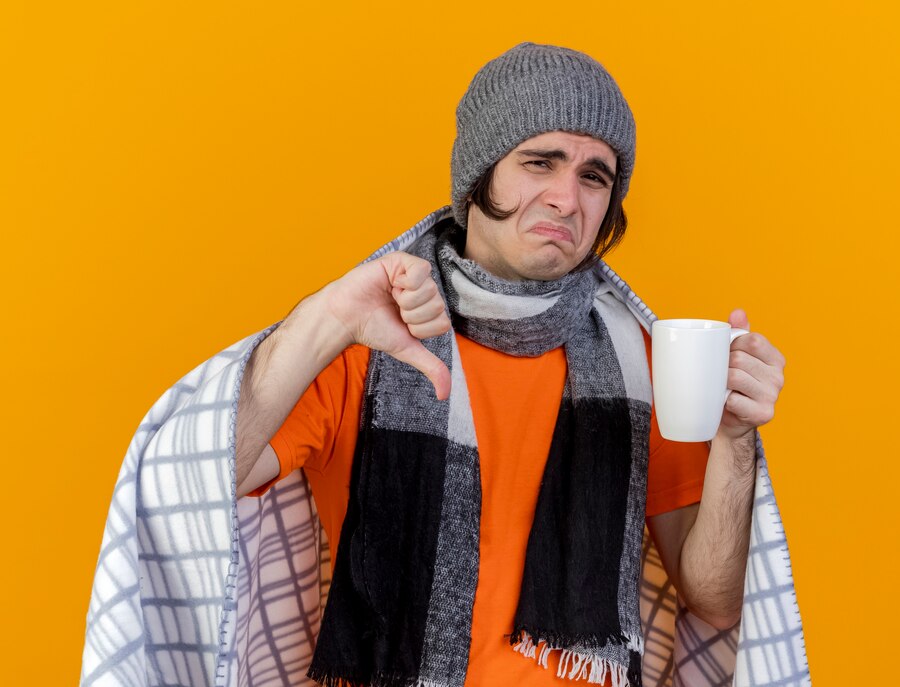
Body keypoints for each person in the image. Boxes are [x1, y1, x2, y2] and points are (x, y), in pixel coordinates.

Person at [230, 42, 787, 687]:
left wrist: (735, 437)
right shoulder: (367, 341)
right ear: (478, 174)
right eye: (539, 162)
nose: (565, 198)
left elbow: (713, 598)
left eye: (594, 176)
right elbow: (210, 477)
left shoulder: (644, 361)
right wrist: (324, 321)